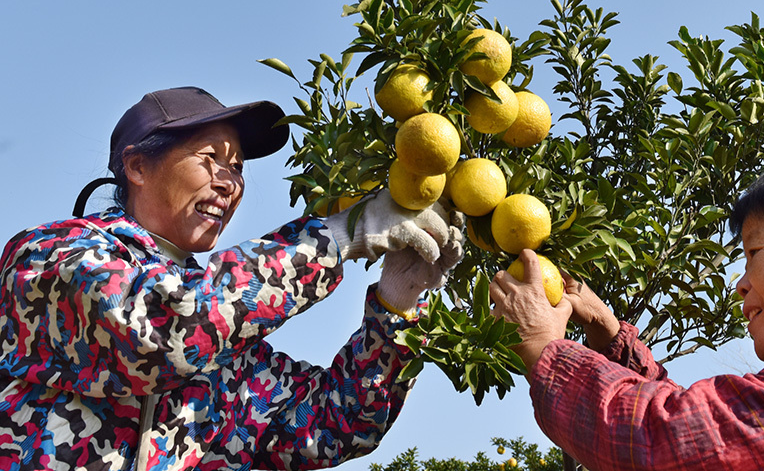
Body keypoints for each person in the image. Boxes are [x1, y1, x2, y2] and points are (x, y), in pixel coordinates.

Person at [0, 86, 463, 471]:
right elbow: (160, 332)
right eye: (211, 158)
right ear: (137, 166)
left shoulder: (228, 353)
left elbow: (337, 425)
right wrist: (333, 239)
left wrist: (397, 304)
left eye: (238, 167)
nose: (229, 182)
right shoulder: (50, 256)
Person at [490, 157, 764, 470]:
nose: (741, 282)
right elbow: (721, 429)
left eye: (754, 252)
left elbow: (672, 442)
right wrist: (612, 336)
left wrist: (545, 349)